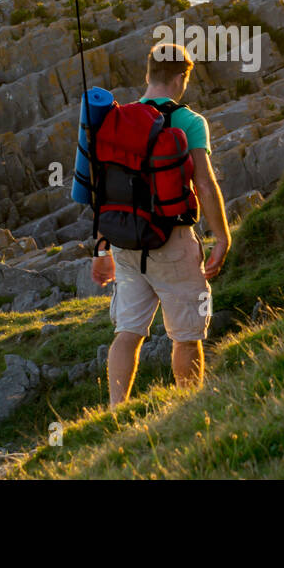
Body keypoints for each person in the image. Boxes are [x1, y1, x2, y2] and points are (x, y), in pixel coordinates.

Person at [91, 42, 231, 407]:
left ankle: (116, 410)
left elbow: (108, 189)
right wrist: (221, 237)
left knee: (127, 333)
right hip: (172, 241)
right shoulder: (189, 121)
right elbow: (204, 182)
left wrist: (101, 247)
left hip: (124, 243)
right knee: (186, 337)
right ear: (182, 77)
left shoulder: (118, 118)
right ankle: (190, 407)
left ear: (148, 73)